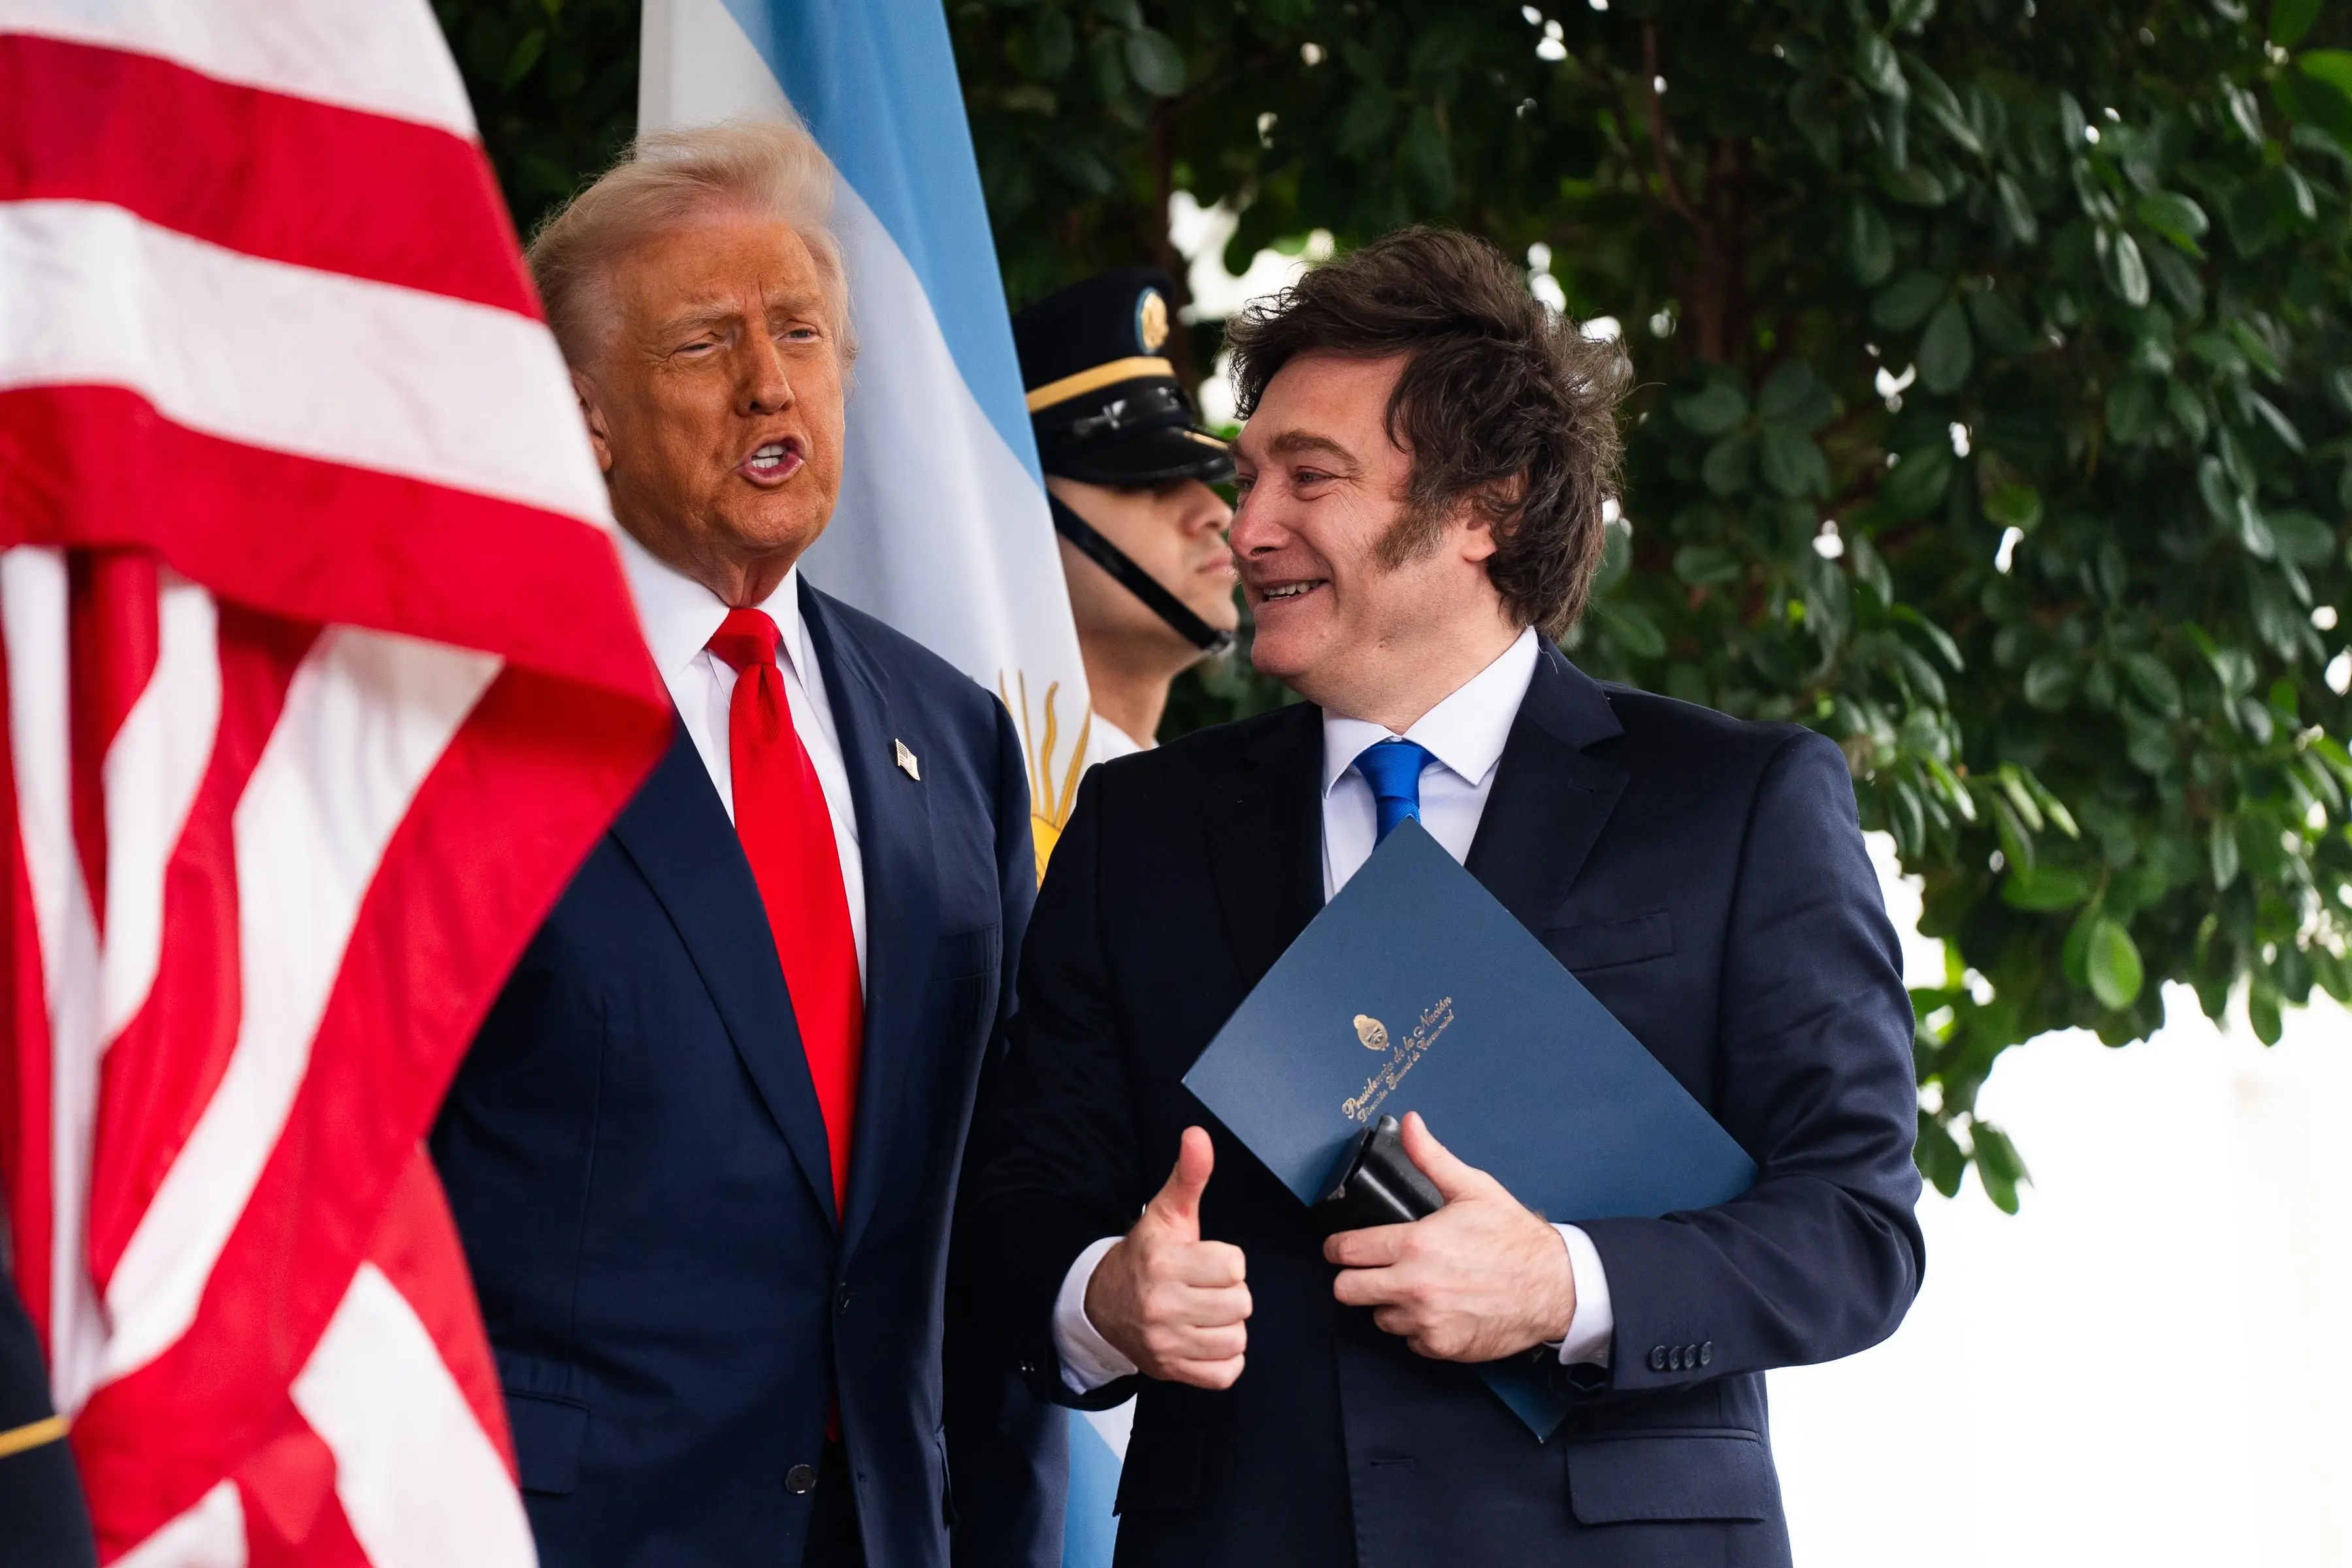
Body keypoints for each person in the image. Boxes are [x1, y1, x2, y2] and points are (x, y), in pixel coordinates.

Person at [963, 227, 1924, 1565]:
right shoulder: (1139, 829)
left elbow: (1857, 1230)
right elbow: (1013, 1212)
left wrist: (1564, 1286)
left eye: (1313, 479)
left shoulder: (1738, 804)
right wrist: (1104, 1297)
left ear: (1492, 507)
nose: (1248, 530)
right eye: (1248, 481)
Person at [429, 121, 1060, 1568]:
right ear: (586, 413)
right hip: (556, 1528)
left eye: (802, 333)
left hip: (895, 1525)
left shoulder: (952, 730)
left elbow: (996, 1179)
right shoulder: (463, 717)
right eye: (706, 345)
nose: (774, 384)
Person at [1012, 270, 1241, 759]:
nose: (1216, 512)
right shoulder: (980, 810)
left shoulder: (1199, 808)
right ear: (1024, 514)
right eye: (1147, 482)